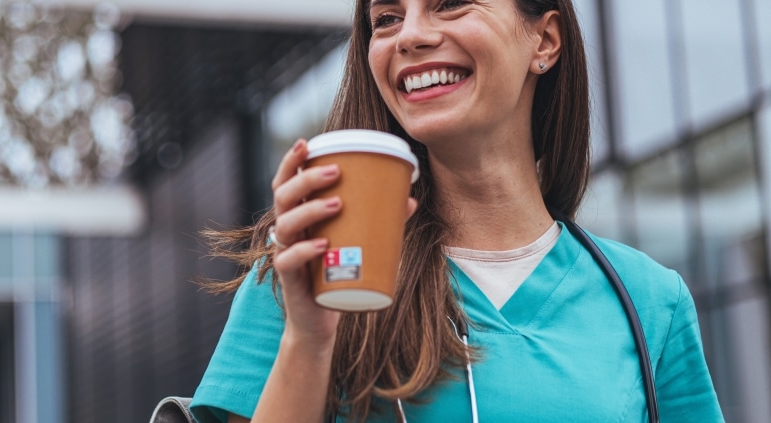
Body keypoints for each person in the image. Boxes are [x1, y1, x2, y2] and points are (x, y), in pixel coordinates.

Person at [191, 0, 724, 421]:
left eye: (452, 2)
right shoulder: (313, 268)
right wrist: (309, 339)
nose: (412, 35)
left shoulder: (651, 303)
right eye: (387, 18)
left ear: (544, 39)